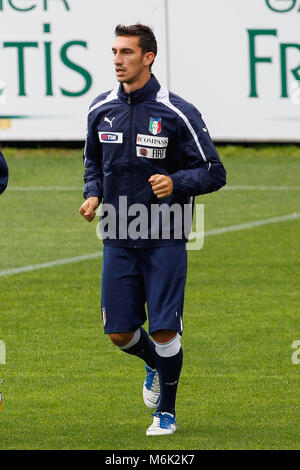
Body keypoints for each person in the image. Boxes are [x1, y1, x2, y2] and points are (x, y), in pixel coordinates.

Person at [79, 24, 226, 435]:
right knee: (119, 333)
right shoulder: (100, 108)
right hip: (117, 233)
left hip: (166, 235)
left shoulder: (177, 111)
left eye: (126, 52)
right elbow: (93, 163)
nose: (117, 60)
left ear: (148, 58)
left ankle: (167, 411)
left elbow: (214, 172)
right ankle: (152, 363)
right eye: (113, 52)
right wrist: (93, 194)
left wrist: (176, 183)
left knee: (163, 327)